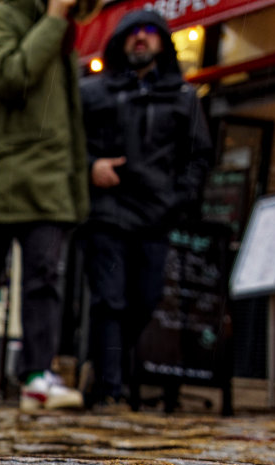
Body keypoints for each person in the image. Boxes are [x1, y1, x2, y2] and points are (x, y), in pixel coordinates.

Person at [0, 0, 92, 412]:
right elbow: (14, 75)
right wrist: (54, 19)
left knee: (44, 276)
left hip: (46, 175)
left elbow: (65, 120)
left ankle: (36, 375)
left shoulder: (59, 31)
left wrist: (73, 179)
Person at [80, 9, 213, 408]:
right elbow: (65, 145)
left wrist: (179, 199)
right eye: (133, 32)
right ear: (120, 40)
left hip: (156, 215)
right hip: (106, 212)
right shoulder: (93, 92)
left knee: (144, 299)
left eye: (150, 32)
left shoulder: (183, 98)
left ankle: (101, 368)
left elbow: (199, 156)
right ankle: (109, 388)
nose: (141, 39)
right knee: (110, 299)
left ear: (162, 42)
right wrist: (91, 168)